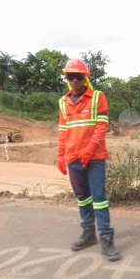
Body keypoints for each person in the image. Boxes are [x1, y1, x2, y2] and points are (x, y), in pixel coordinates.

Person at [56, 59, 120, 261]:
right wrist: (60, 155)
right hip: (73, 159)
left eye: (78, 76)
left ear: (85, 78)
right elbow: (62, 131)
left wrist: (89, 150)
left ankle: (106, 237)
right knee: (83, 198)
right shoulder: (63, 102)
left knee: (99, 200)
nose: (74, 80)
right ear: (66, 79)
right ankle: (88, 233)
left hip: (94, 159)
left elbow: (102, 126)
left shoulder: (97, 97)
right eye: (70, 77)